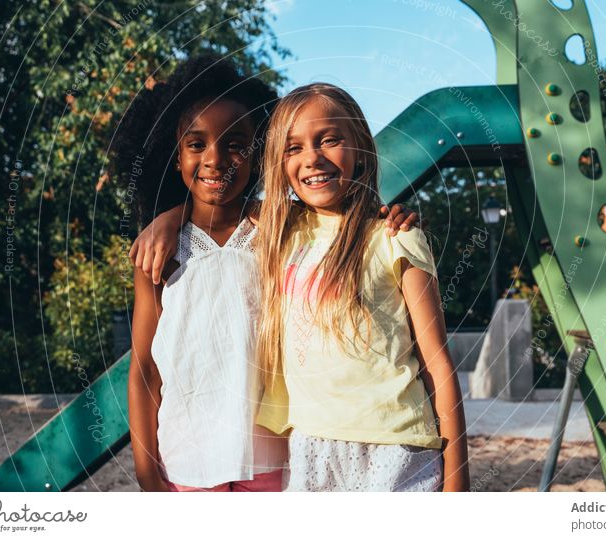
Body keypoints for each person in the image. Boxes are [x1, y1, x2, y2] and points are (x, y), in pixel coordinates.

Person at [255, 83, 470, 491]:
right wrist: (164, 219)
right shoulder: (279, 231)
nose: (312, 158)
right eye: (293, 147)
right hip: (311, 445)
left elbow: (437, 365)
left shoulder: (396, 237)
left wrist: (458, 481)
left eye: (329, 140)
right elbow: (211, 204)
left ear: (360, 148)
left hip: (397, 448)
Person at [114, 54, 287, 491]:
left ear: (257, 152)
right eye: (196, 144)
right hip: (186, 465)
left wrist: (389, 217)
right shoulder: (158, 253)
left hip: (274, 462)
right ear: (175, 157)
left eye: (235, 143)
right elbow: (144, 371)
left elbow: (341, 227)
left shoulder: (279, 230)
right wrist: (146, 471)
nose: (215, 158)